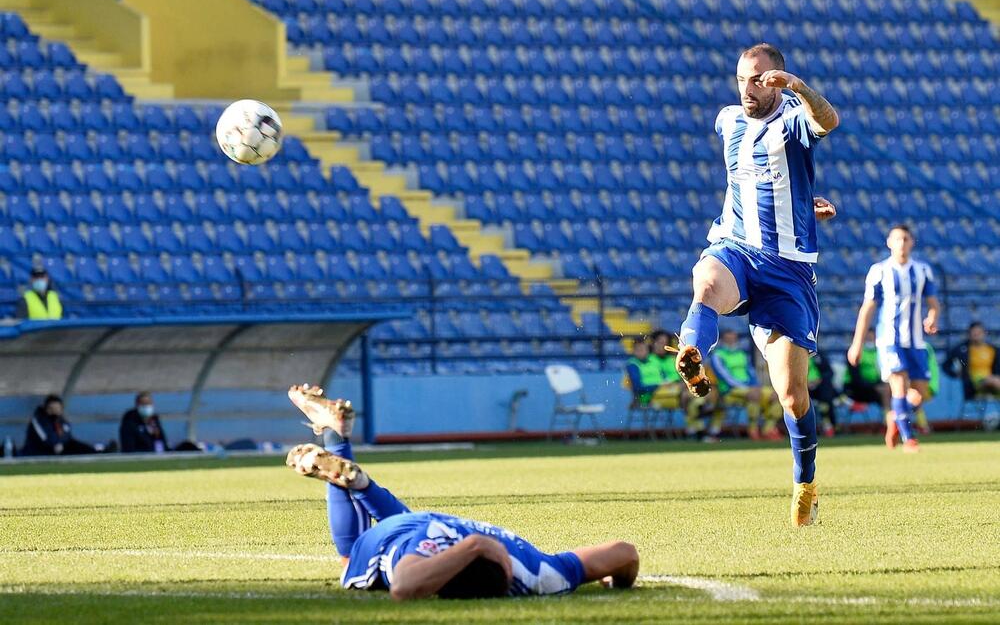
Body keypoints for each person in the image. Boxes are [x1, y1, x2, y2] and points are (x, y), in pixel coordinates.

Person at [671, 42, 840, 526]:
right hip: (737, 249)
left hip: (788, 271)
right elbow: (755, 184)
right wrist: (803, 202)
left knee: (791, 394)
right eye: (743, 78)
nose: (749, 87)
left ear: (779, 80)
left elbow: (829, 122)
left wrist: (799, 88)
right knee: (705, 282)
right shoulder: (729, 121)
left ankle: (805, 481)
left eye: (760, 79)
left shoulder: (794, 117)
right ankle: (692, 355)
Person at [284, 384, 639, 600]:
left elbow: (625, 553)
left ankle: (341, 447)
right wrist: (618, 586)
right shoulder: (539, 579)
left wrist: (479, 544)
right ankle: (343, 452)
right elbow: (404, 589)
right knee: (366, 545)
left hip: (425, 528)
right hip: (418, 529)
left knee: (370, 543)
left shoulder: (539, 573)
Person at [848, 225, 940, 453]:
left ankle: (896, 418)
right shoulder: (879, 271)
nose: (901, 243)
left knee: (919, 393)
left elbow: (933, 303)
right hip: (889, 339)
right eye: (897, 239)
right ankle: (909, 439)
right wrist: (857, 343)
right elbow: (868, 308)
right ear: (889, 242)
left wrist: (932, 317)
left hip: (916, 341)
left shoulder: (922, 270)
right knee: (898, 387)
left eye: (906, 239)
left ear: (912, 242)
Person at [709, 330, 782, 440]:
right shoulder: (718, 355)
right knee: (754, 394)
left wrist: (755, 385)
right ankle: (753, 429)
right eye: (729, 338)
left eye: (733, 337)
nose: (732, 340)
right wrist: (746, 387)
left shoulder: (742, 354)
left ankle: (768, 429)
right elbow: (724, 376)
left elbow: (751, 372)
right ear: (723, 339)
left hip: (748, 388)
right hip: (729, 390)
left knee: (776, 395)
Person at [21, 394, 97, 456]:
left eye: (57, 409)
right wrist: (57, 443)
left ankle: (98, 453)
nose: (55, 411)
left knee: (83, 448)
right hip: (38, 452)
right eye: (52, 408)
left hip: (58, 450)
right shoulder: (38, 420)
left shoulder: (61, 421)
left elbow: (67, 436)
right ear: (46, 409)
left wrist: (60, 443)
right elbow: (46, 439)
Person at [944, 322, 1000, 400]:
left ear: (984, 333)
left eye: (978, 333)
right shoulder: (961, 350)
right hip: (973, 382)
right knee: (993, 381)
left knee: (993, 381)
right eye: (974, 333)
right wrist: (955, 374)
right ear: (969, 334)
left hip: (992, 379)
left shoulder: (993, 349)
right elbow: (946, 365)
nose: (976, 335)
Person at [807, 349, 838, 438]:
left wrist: (819, 380)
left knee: (827, 388)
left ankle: (827, 425)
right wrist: (805, 382)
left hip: (819, 388)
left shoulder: (818, 354)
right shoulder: (795, 354)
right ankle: (845, 401)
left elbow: (830, 372)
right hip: (801, 387)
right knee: (829, 392)